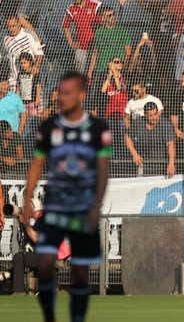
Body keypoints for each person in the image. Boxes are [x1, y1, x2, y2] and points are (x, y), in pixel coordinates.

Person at [21, 72, 111, 322]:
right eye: (60, 92)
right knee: (46, 265)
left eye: (68, 92)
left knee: (80, 271)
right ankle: (49, 315)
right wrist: (28, 200)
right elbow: (37, 165)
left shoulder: (98, 128)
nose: (62, 97)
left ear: (81, 95)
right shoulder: (49, 127)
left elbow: (103, 172)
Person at [124, 101, 176, 177]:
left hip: (161, 166)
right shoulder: (138, 123)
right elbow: (127, 137)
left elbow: (170, 144)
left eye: (155, 114)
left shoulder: (165, 123)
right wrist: (134, 154)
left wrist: (171, 163)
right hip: (142, 166)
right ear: (145, 115)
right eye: (150, 115)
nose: (154, 118)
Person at [62, 0, 101, 74]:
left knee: (94, 73)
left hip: (96, 47)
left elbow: (103, 24)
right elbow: (65, 27)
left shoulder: (96, 5)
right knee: (80, 73)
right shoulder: (71, 9)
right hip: (81, 47)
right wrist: (71, 42)